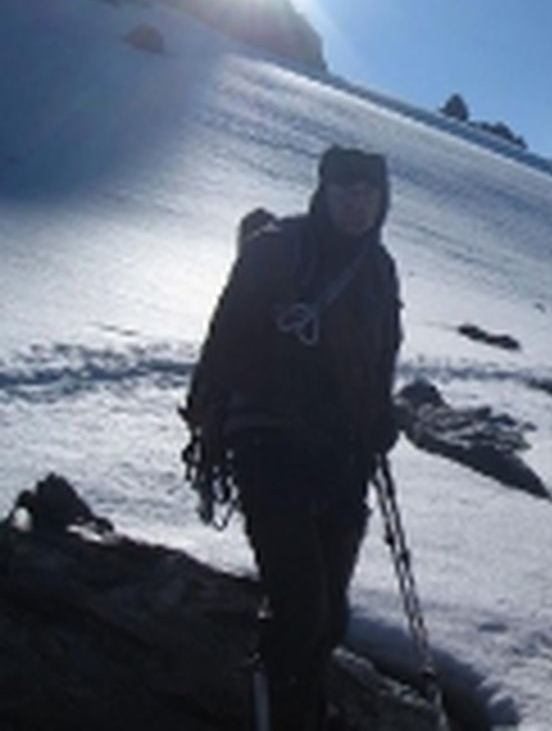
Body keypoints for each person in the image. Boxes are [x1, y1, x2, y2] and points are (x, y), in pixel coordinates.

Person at [185, 145, 402, 730]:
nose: (356, 205)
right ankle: (280, 710)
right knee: (302, 607)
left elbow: (381, 359)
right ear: (323, 192)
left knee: (328, 617)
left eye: (368, 194)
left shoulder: (379, 270)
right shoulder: (279, 251)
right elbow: (224, 346)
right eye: (344, 192)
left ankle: (298, 708)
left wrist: (379, 417)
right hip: (271, 446)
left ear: (382, 200)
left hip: (342, 457)